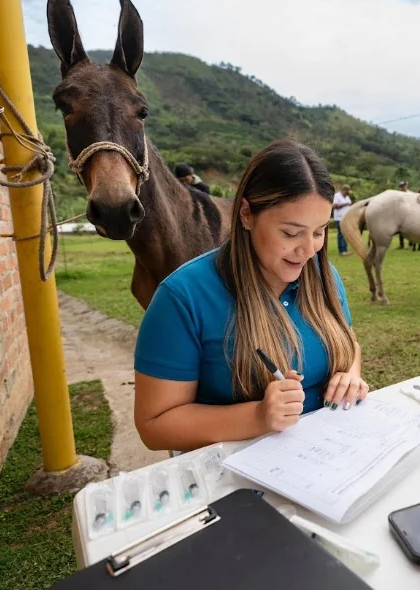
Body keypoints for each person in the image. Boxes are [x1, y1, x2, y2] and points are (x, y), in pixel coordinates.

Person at [133, 139, 368, 452]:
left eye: (319, 231)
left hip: (325, 459)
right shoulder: (183, 297)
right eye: (290, 232)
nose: (308, 249)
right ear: (246, 213)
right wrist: (257, 416)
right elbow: (154, 425)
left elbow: (349, 341)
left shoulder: (323, 276)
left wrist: (349, 375)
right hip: (236, 479)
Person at [332, 184, 352, 256]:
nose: (348, 193)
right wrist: (344, 204)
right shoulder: (337, 196)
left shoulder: (347, 197)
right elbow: (333, 206)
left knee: (345, 234)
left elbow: (349, 205)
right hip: (339, 218)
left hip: (346, 219)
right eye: (347, 191)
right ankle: (342, 250)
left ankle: (345, 250)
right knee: (341, 234)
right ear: (344, 190)